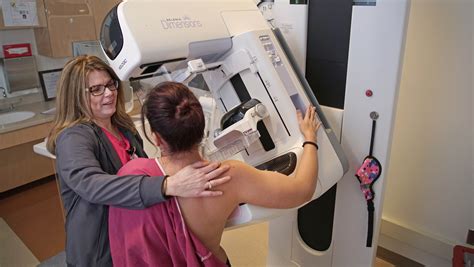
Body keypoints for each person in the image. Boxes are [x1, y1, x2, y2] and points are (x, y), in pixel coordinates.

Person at [108, 81, 321, 266]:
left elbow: (127, 248)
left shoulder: (132, 176)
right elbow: (303, 190)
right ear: (202, 128)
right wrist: (310, 137)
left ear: (156, 139)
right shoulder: (230, 177)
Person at [46, 56, 231, 267]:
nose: (108, 93)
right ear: (76, 96)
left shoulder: (123, 127)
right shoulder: (73, 137)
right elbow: (91, 184)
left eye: (110, 84)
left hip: (131, 237)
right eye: (96, 89)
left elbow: (142, 170)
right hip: (101, 252)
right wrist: (167, 185)